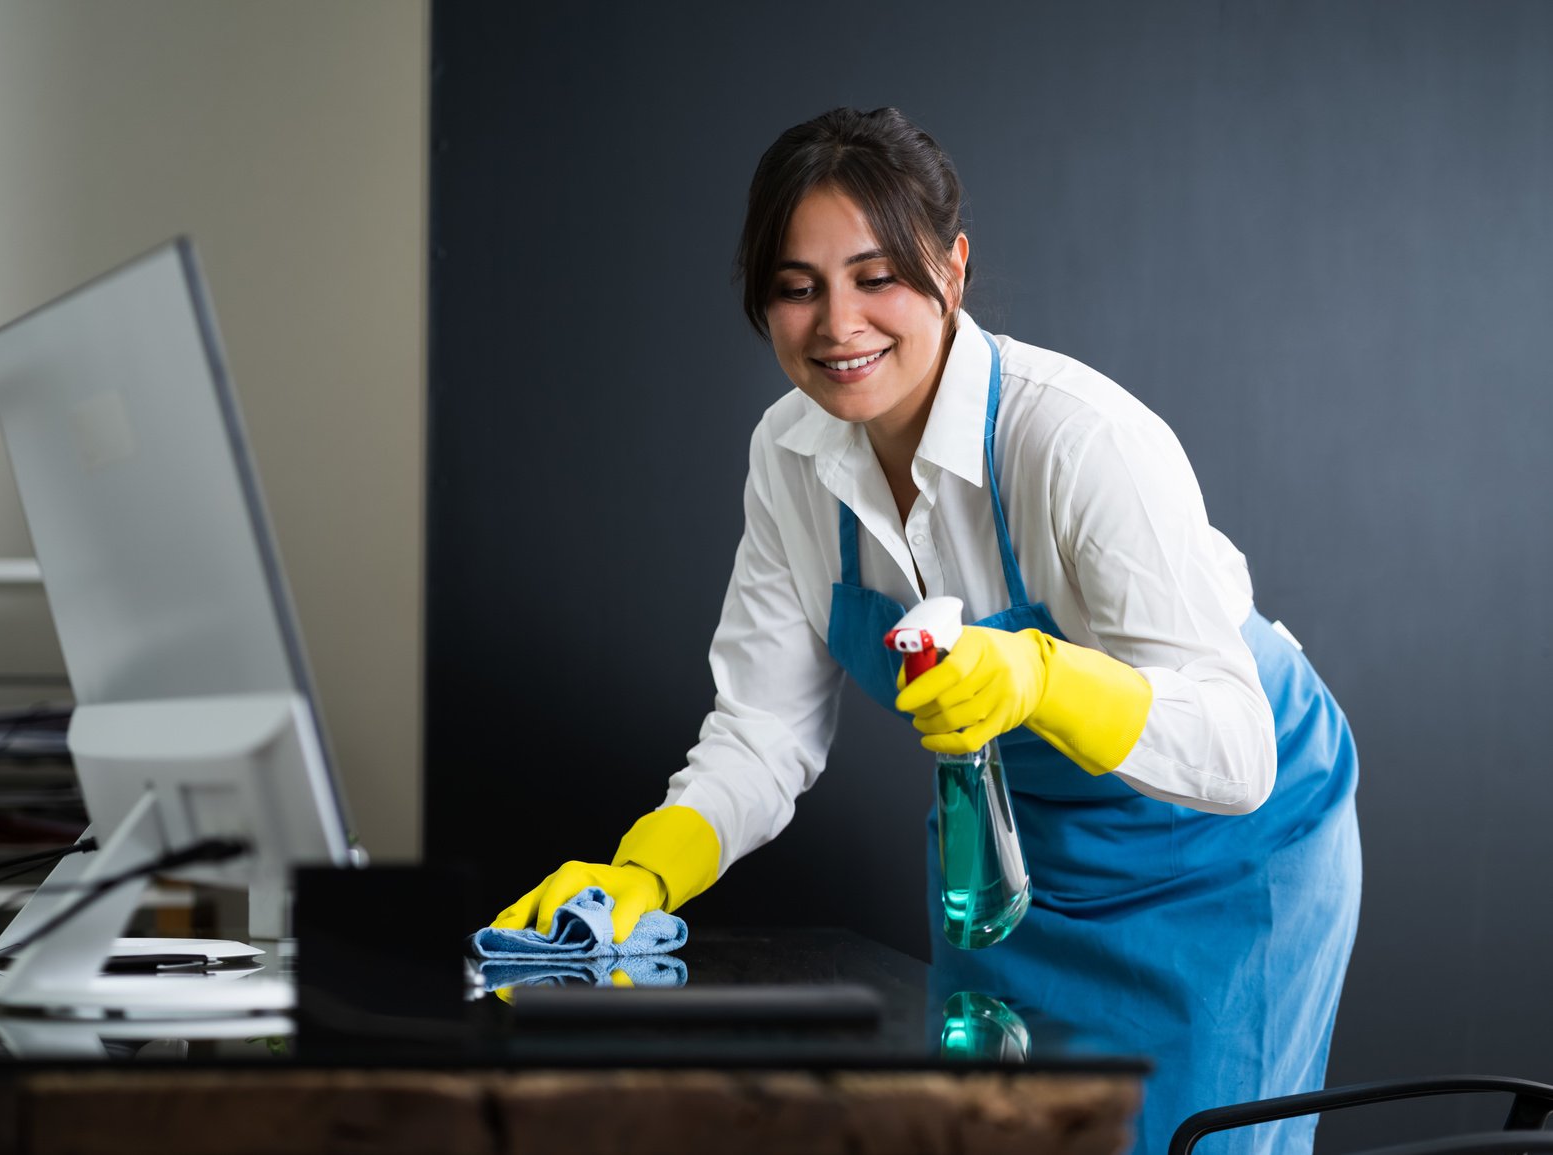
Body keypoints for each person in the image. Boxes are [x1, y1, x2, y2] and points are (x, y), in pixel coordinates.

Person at [491, 106, 1361, 1154]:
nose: (836, 325)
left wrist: (1039, 676)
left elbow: (1235, 750)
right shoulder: (790, 456)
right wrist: (645, 873)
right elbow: (763, 734)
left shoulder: (1074, 439)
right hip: (1008, 864)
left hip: (1222, 862)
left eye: (875, 278)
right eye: (795, 287)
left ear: (949, 270)